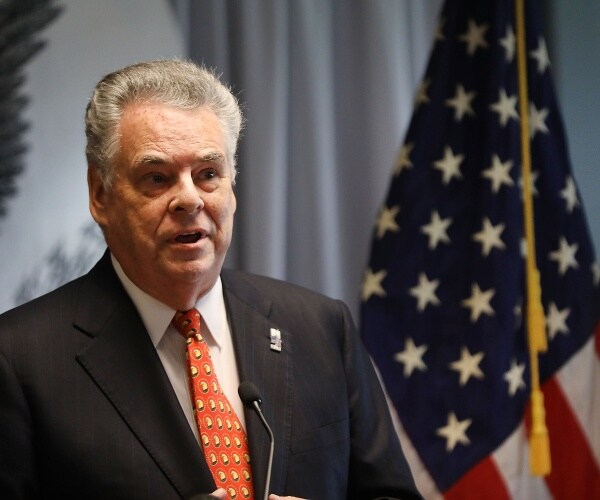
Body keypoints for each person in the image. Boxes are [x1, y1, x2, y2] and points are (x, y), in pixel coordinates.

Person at [0, 59, 421, 500]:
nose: (188, 199)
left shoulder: (320, 327)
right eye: (157, 178)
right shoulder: (19, 360)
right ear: (100, 195)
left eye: (208, 174)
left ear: (232, 188)